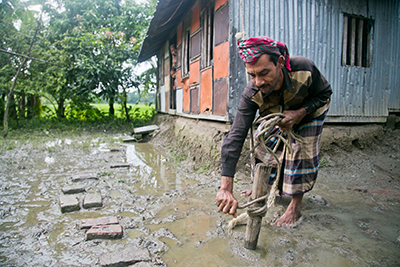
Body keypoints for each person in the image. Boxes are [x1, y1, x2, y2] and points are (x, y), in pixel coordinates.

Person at [216, 37, 332, 227]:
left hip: (309, 111)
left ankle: (295, 205)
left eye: (264, 73)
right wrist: (226, 187)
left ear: (279, 63)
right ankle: (263, 187)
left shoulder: (304, 68)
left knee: (300, 147)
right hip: (278, 115)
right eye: (252, 75)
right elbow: (236, 135)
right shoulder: (252, 93)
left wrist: (300, 113)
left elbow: (325, 93)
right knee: (262, 144)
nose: (258, 81)